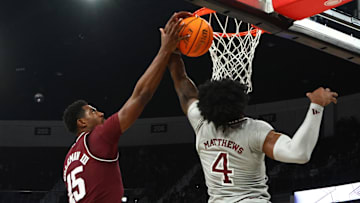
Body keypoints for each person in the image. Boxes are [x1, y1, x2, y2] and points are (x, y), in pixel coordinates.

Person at [167, 52, 338, 203]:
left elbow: (183, 87)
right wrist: (317, 106)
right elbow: (298, 153)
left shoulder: (201, 122)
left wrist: (173, 51)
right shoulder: (254, 131)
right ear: (241, 104)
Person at [62, 11, 191, 203]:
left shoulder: (68, 162)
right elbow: (141, 96)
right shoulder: (98, 137)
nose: (101, 113)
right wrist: (165, 51)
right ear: (82, 122)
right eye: (93, 111)